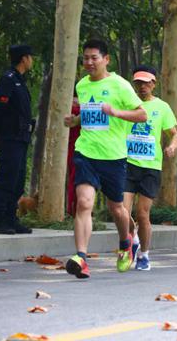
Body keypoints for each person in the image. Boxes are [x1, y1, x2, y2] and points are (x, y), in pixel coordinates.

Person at [63, 39, 147, 278]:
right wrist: (75, 121)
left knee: (116, 208)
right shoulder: (82, 86)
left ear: (106, 59)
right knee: (84, 203)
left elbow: (141, 115)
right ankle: (81, 256)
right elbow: (89, 115)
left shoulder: (119, 85)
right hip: (86, 152)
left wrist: (116, 112)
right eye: (85, 58)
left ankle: (125, 243)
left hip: (113, 156)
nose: (89, 63)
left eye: (94, 58)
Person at [122, 66, 177, 271]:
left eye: (146, 83)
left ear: (154, 84)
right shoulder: (127, 104)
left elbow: (174, 133)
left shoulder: (162, 107)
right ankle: (133, 238)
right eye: (139, 83)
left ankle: (144, 255)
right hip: (127, 164)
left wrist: (172, 146)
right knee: (122, 211)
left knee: (142, 214)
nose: (142, 87)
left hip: (150, 167)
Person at [0, 44, 36, 234]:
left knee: (18, 179)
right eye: (30, 57)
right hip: (9, 137)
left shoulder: (20, 80)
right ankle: (0, 219)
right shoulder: (8, 79)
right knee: (7, 178)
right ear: (24, 59)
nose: (32, 60)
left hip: (21, 137)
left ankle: (11, 217)